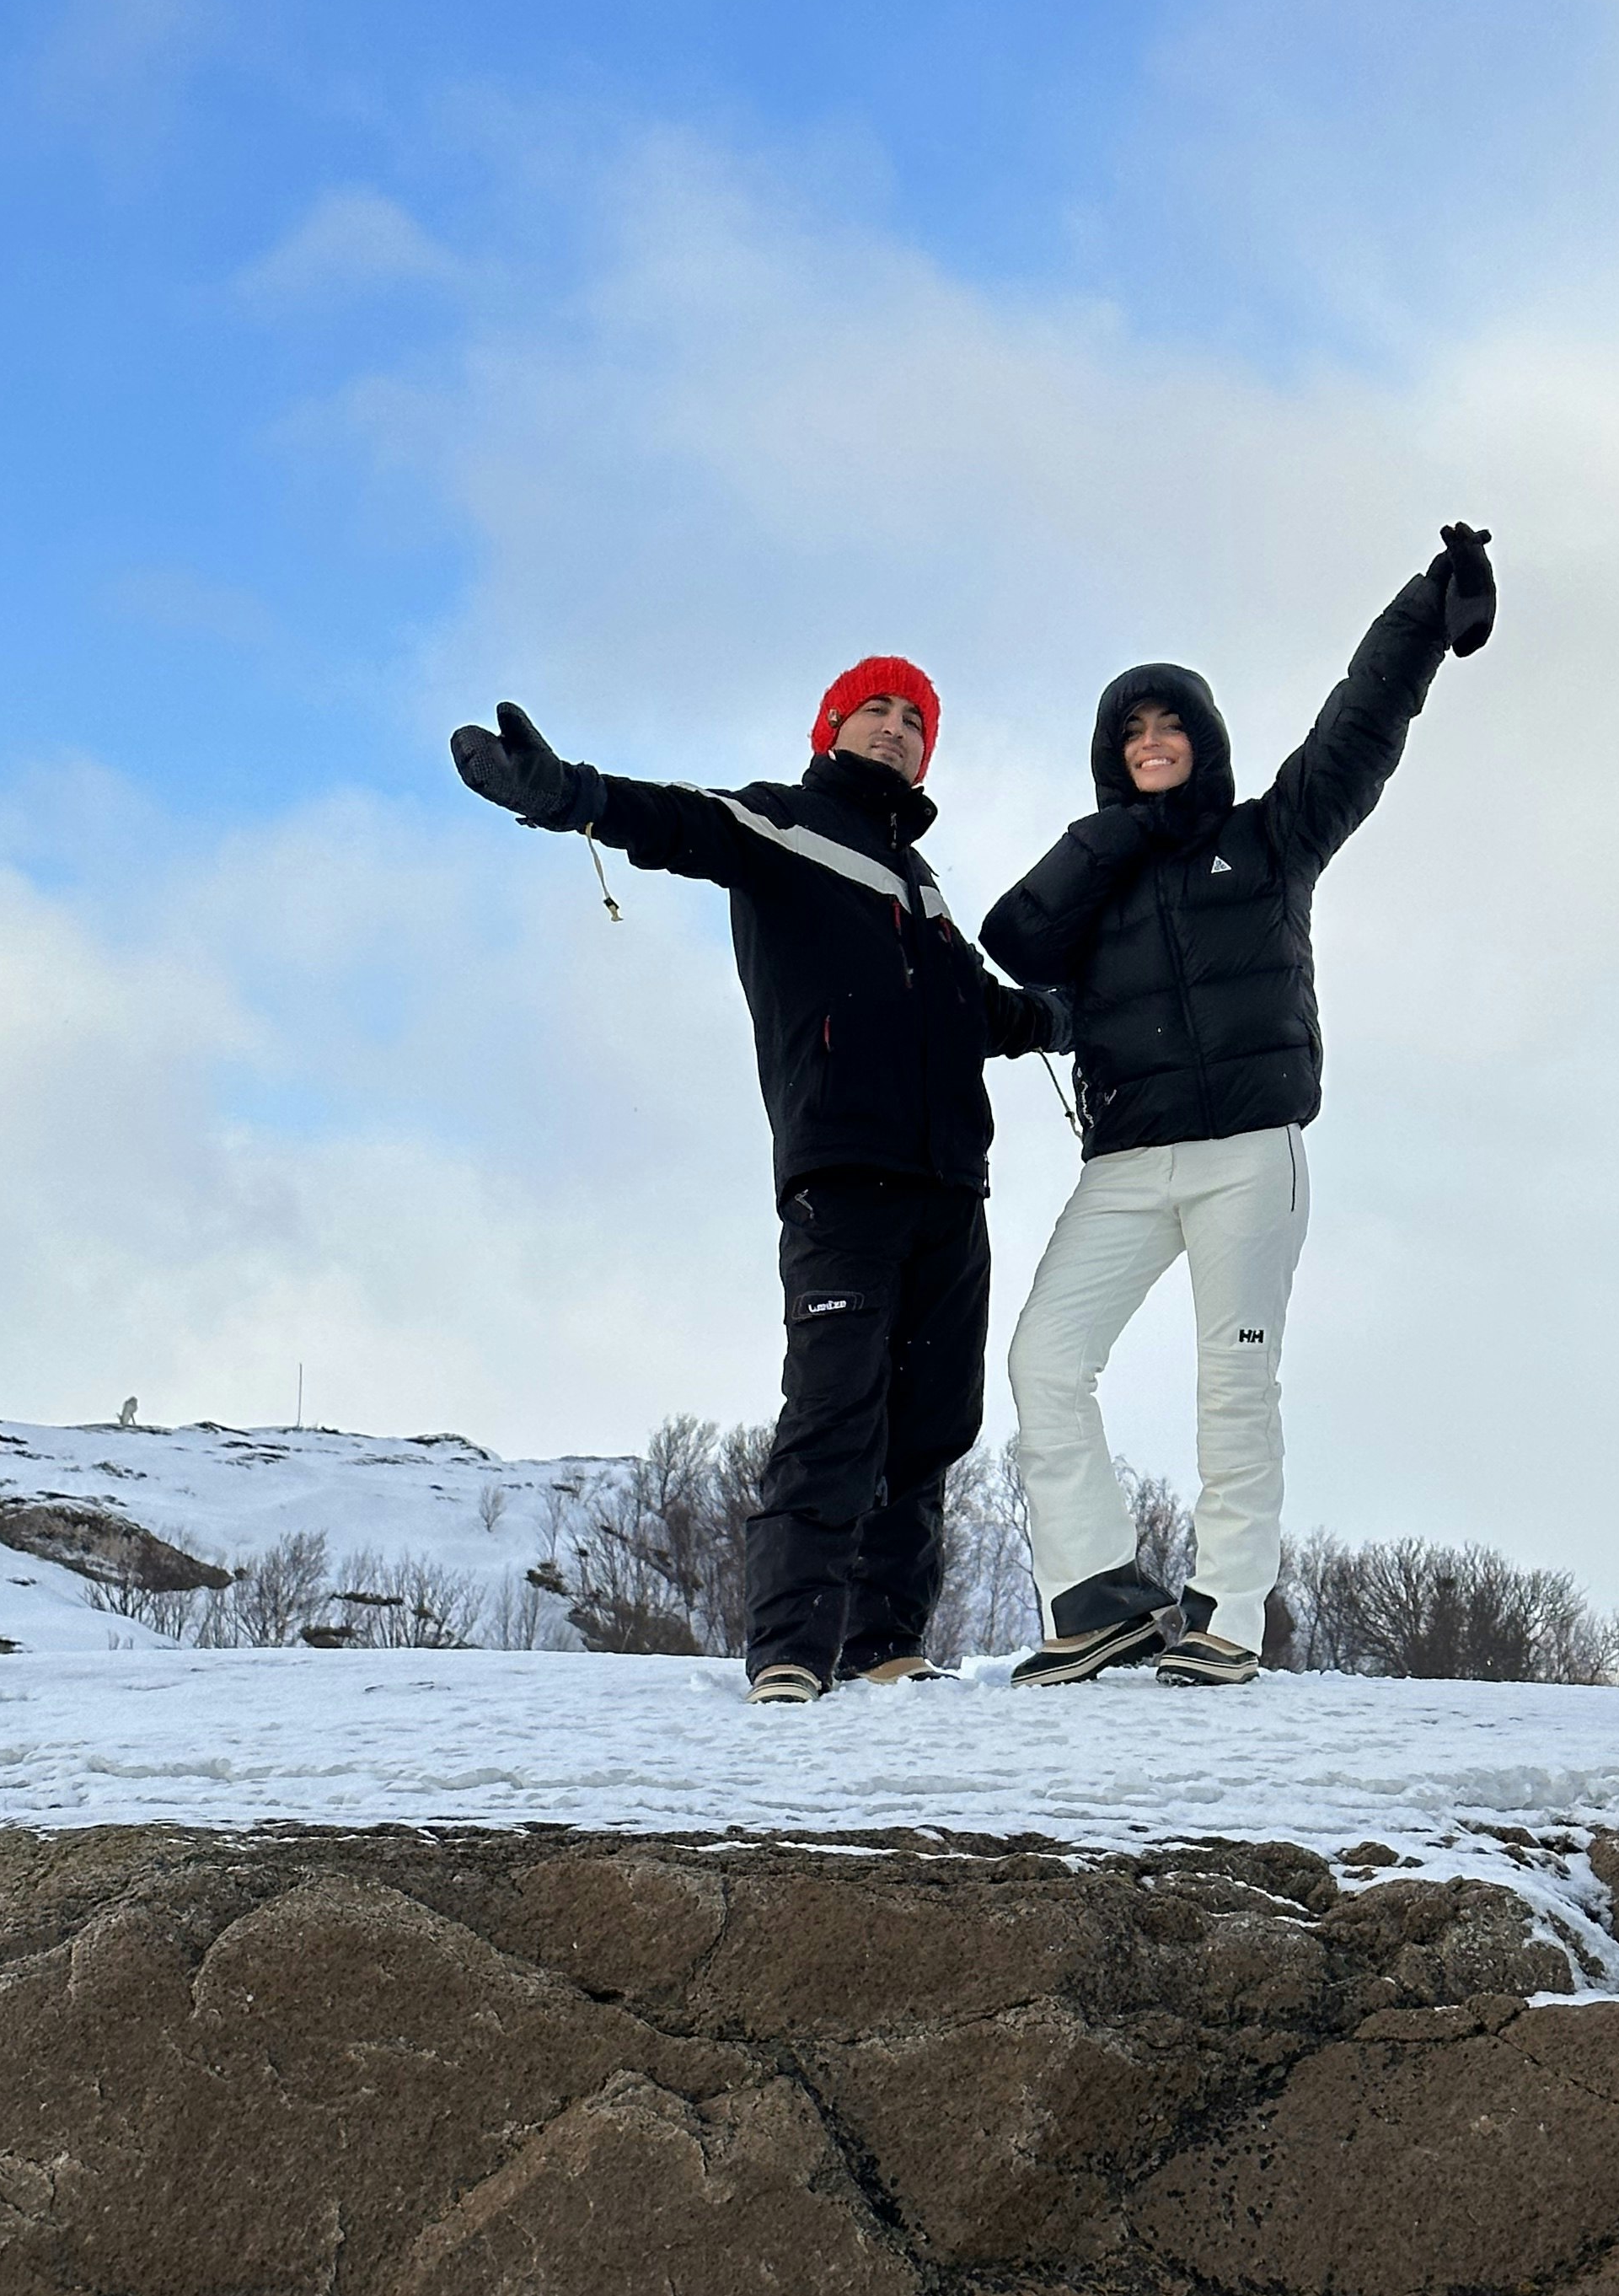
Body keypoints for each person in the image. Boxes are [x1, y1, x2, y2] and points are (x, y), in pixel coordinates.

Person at [452, 659, 1061, 1703]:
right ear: (832, 725)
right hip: (843, 1175)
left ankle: (884, 1641)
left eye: (916, 719)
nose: (897, 728)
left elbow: (987, 1014)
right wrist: (568, 797)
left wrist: (1072, 1016)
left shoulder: (926, 891)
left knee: (929, 1431)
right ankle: (789, 1649)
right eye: (877, 709)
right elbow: (672, 822)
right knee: (834, 1414)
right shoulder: (783, 825)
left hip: (954, 1189)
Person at [978, 527, 1496, 1690]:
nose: (1153, 743)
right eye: (1132, 732)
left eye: (1170, 727)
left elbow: (1356, 730)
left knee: (1233, 1379)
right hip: (1126, 1166)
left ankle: (1226, 1611)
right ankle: (1100, 1594)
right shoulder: (1096, 883)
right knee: (1043, 1362)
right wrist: (1115, 831)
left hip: (1251, 1157)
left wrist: (1425, 611)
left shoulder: (1270, 838)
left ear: (1203, 742)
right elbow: (1011, 939)